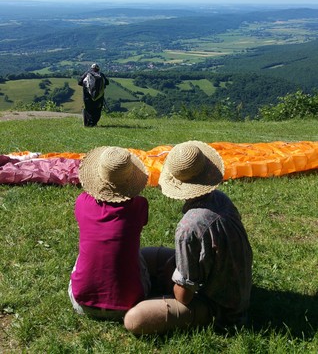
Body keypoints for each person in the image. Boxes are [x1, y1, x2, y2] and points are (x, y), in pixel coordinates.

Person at [124, 140, 253, 335]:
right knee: (144, 254)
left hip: (220, 308)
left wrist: (175, 280)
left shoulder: (189, 227)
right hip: (234, 286)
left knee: (135, 319)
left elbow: (183, 297)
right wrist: (176, 266)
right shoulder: (220, 198)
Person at [68, 145, 150, 320]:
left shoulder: (81, 201)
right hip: (130, 305)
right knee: (137, 254)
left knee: (85, 253)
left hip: (82, 304)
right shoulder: (140, 205)